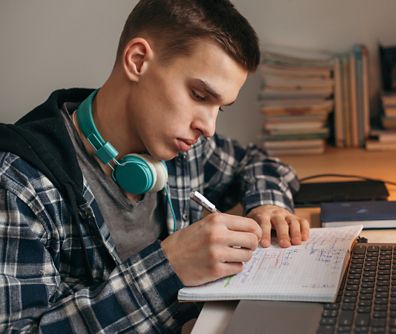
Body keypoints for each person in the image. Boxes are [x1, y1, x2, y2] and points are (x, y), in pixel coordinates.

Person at [0, 0, 310, 332]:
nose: (208, 128)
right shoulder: (19, 183)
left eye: (220, 108)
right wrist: (169, 267)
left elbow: (259, 162)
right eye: (199, 95)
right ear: (138, 61)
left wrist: (268, 204)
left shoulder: (184, 148)